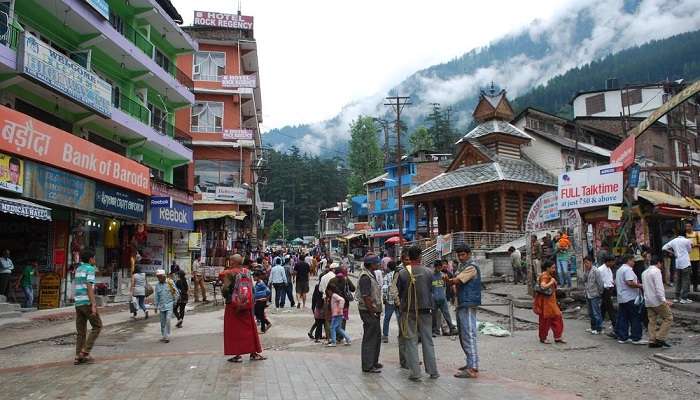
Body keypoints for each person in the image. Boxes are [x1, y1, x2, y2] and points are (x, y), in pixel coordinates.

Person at [396, 246, 439, 381]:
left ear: (409, 256)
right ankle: (433, 371)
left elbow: (400, 291)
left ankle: (415, 373)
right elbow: (433, 290)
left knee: (411, 341)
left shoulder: (403, 273)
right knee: (428, 341)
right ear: (420, 256)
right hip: (426, 310)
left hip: (408, 311)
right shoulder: (428, 272)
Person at [221, 254, 266, 362]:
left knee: (234, 330)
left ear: (233, 262)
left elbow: (225, 290)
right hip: (247, 304)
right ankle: (253, 353)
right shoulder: (247, 272)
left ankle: (237, 355)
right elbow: (252, 289)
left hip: (233, 305)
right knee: (250, 328)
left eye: (230, 261)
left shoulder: (229, 273)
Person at [449, 245, 481, 379]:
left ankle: (473, 367)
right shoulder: (462, 267)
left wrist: (448, 280)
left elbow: (457, 280)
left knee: (469, 335)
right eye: (459, 255)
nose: (461, 257)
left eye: (463, 255)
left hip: (468, 303)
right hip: (462, 302)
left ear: (469, 254)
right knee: (464, 335)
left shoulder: (471, 267)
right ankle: (470, 363)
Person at [73, 249, 102, 364]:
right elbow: (89, 286)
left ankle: (78, 356)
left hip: (78, 303)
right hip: (86, 302)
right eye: (94, 258)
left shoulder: (78, 269)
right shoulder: (90, 269)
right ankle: (85, 352)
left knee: (81, 331)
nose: (95, 260)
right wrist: (93, 304)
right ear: (90, 259)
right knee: (97, 326)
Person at [356, 255, 383, 373]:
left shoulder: (370, 275)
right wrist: (372, 312)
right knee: (370, 338)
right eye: (376, 263)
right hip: (368, 311)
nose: (378, 265)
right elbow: (366, 297)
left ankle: (373, 361)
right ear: (372, 264)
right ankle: (368, 365)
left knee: (376, 336)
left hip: (373, 311)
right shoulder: (365, 277)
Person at [643, 256, 673, 348]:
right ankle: (660, 338)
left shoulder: (644, 272)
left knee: (652, 321)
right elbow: (659, 287)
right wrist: (664, 300)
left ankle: (652, 340)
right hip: (657, 300)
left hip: (648, 300)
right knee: (668, 317)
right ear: (659, 263)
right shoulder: (656, 272)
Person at [533, 259, 566, 344]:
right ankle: (544, 338)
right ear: (547, 268)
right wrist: (552, 282)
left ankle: (557, 337)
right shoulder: (545, 276)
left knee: (557, 318)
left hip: (551, 302)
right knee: (546, 320)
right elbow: (543, 286)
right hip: (546, 303)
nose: (554, 269)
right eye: (552, 268)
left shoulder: (546, 275)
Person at [615, 255, 645, 345]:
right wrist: (640, 285)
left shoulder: (619, 270)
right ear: (628, 260)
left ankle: (623, 337)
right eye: (633, 261)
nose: (634, 263)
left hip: (622, 297)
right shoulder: (627, 270)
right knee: (635, 317)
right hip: (630, 297)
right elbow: (629, 282)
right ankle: (636, 337)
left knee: (623, 317)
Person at [662, 232, 693, 304]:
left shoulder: (674, 240)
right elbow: (689, 251)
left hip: (678, 263)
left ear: (678, 235)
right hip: (685, 262)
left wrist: (672, 252)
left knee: (678, 281)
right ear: (684, 235)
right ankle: (684, 298)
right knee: (686, 281)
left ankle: (676, 297)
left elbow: (663, 248)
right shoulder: (686, 241)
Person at [431, 260, 457, 336]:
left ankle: (451, 328)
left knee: (446, 314)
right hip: (434, 299)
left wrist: (451, 296)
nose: (439, 268)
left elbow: (447, 286)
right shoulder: (430, 276)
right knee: (434, 316)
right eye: (437, 267)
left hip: (442, 298)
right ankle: (434, 331)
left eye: (440, 267)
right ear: (434, 267)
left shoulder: (444, 275)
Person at [154, 269, 178, 343]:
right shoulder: (157, 285)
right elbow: (156, 296)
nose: (159, 278)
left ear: (163, 276)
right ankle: (164, 335)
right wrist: (156, 306)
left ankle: (167, 336)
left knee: (168, 319)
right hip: (161, 306)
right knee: (162, 322)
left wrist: (175, 301)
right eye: (157, 277)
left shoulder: (170, 282)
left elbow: (175, 292)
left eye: (160, 277)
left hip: (170, 304)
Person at [583, 256, 604, 335]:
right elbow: (584, 280)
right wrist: (585, 272)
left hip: (595, 294)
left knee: (596, 312)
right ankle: (593, 327)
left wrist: (600, 292)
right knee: (591, 312)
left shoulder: (596, 271)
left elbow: (600, 283)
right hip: (588, 294)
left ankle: (599, 328)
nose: (586, 264)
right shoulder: (587, 271)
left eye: (587, 263)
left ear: (591, 262)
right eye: (585, 263)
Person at [597, 255, 617, 332]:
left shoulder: (609, 269)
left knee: (603, 307)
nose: (613, 263)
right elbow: (599, 281)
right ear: (608, 262)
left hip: (609, 289)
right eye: (612, 262)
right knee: (610, 308)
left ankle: (599, 323)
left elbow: (609, 279)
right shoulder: (601, 269)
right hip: (605, 290)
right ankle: (614, 324)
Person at [382, 261, 399, 343]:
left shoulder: (387, 276)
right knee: (399, 318)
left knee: (387, 318)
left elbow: (385, 288)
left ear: (388, 268)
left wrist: (384, 298)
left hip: (389, 300)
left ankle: (385, 336)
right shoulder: (399, 275)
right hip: (398, 300)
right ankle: (401, 334)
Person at [684, 222, 700, 293]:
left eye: (689, 226)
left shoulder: (696, 234)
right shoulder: (684, 235)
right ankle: (686, 288)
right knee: (687, 273)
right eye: (686, 227)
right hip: (687, 257)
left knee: (695, 273)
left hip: (696, 257)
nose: (688, 228)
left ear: (692, 227)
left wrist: (695, 245)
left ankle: (695, 287)